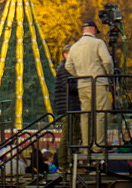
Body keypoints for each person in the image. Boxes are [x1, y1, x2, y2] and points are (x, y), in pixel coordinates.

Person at [65, 19, 114, 152]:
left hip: (83, 85)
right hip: (98, 83)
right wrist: (108, 75)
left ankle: (86, 146)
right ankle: (98, 145)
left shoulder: (74, 47)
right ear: (93, 30)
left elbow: (68, 66)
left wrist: (80, 75)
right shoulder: (98, 43)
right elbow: (107, 61)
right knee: (100, 114)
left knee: (85, 114)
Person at [53, 43, 81, 171]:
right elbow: (68, 86)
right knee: (68, 135)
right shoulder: (65, 68)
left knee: (72, 134)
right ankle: (64, 164)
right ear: (66, 55)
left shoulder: (65, 67)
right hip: (68, 105)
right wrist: (82, 85)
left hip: (70, 105)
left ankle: (68, 162)